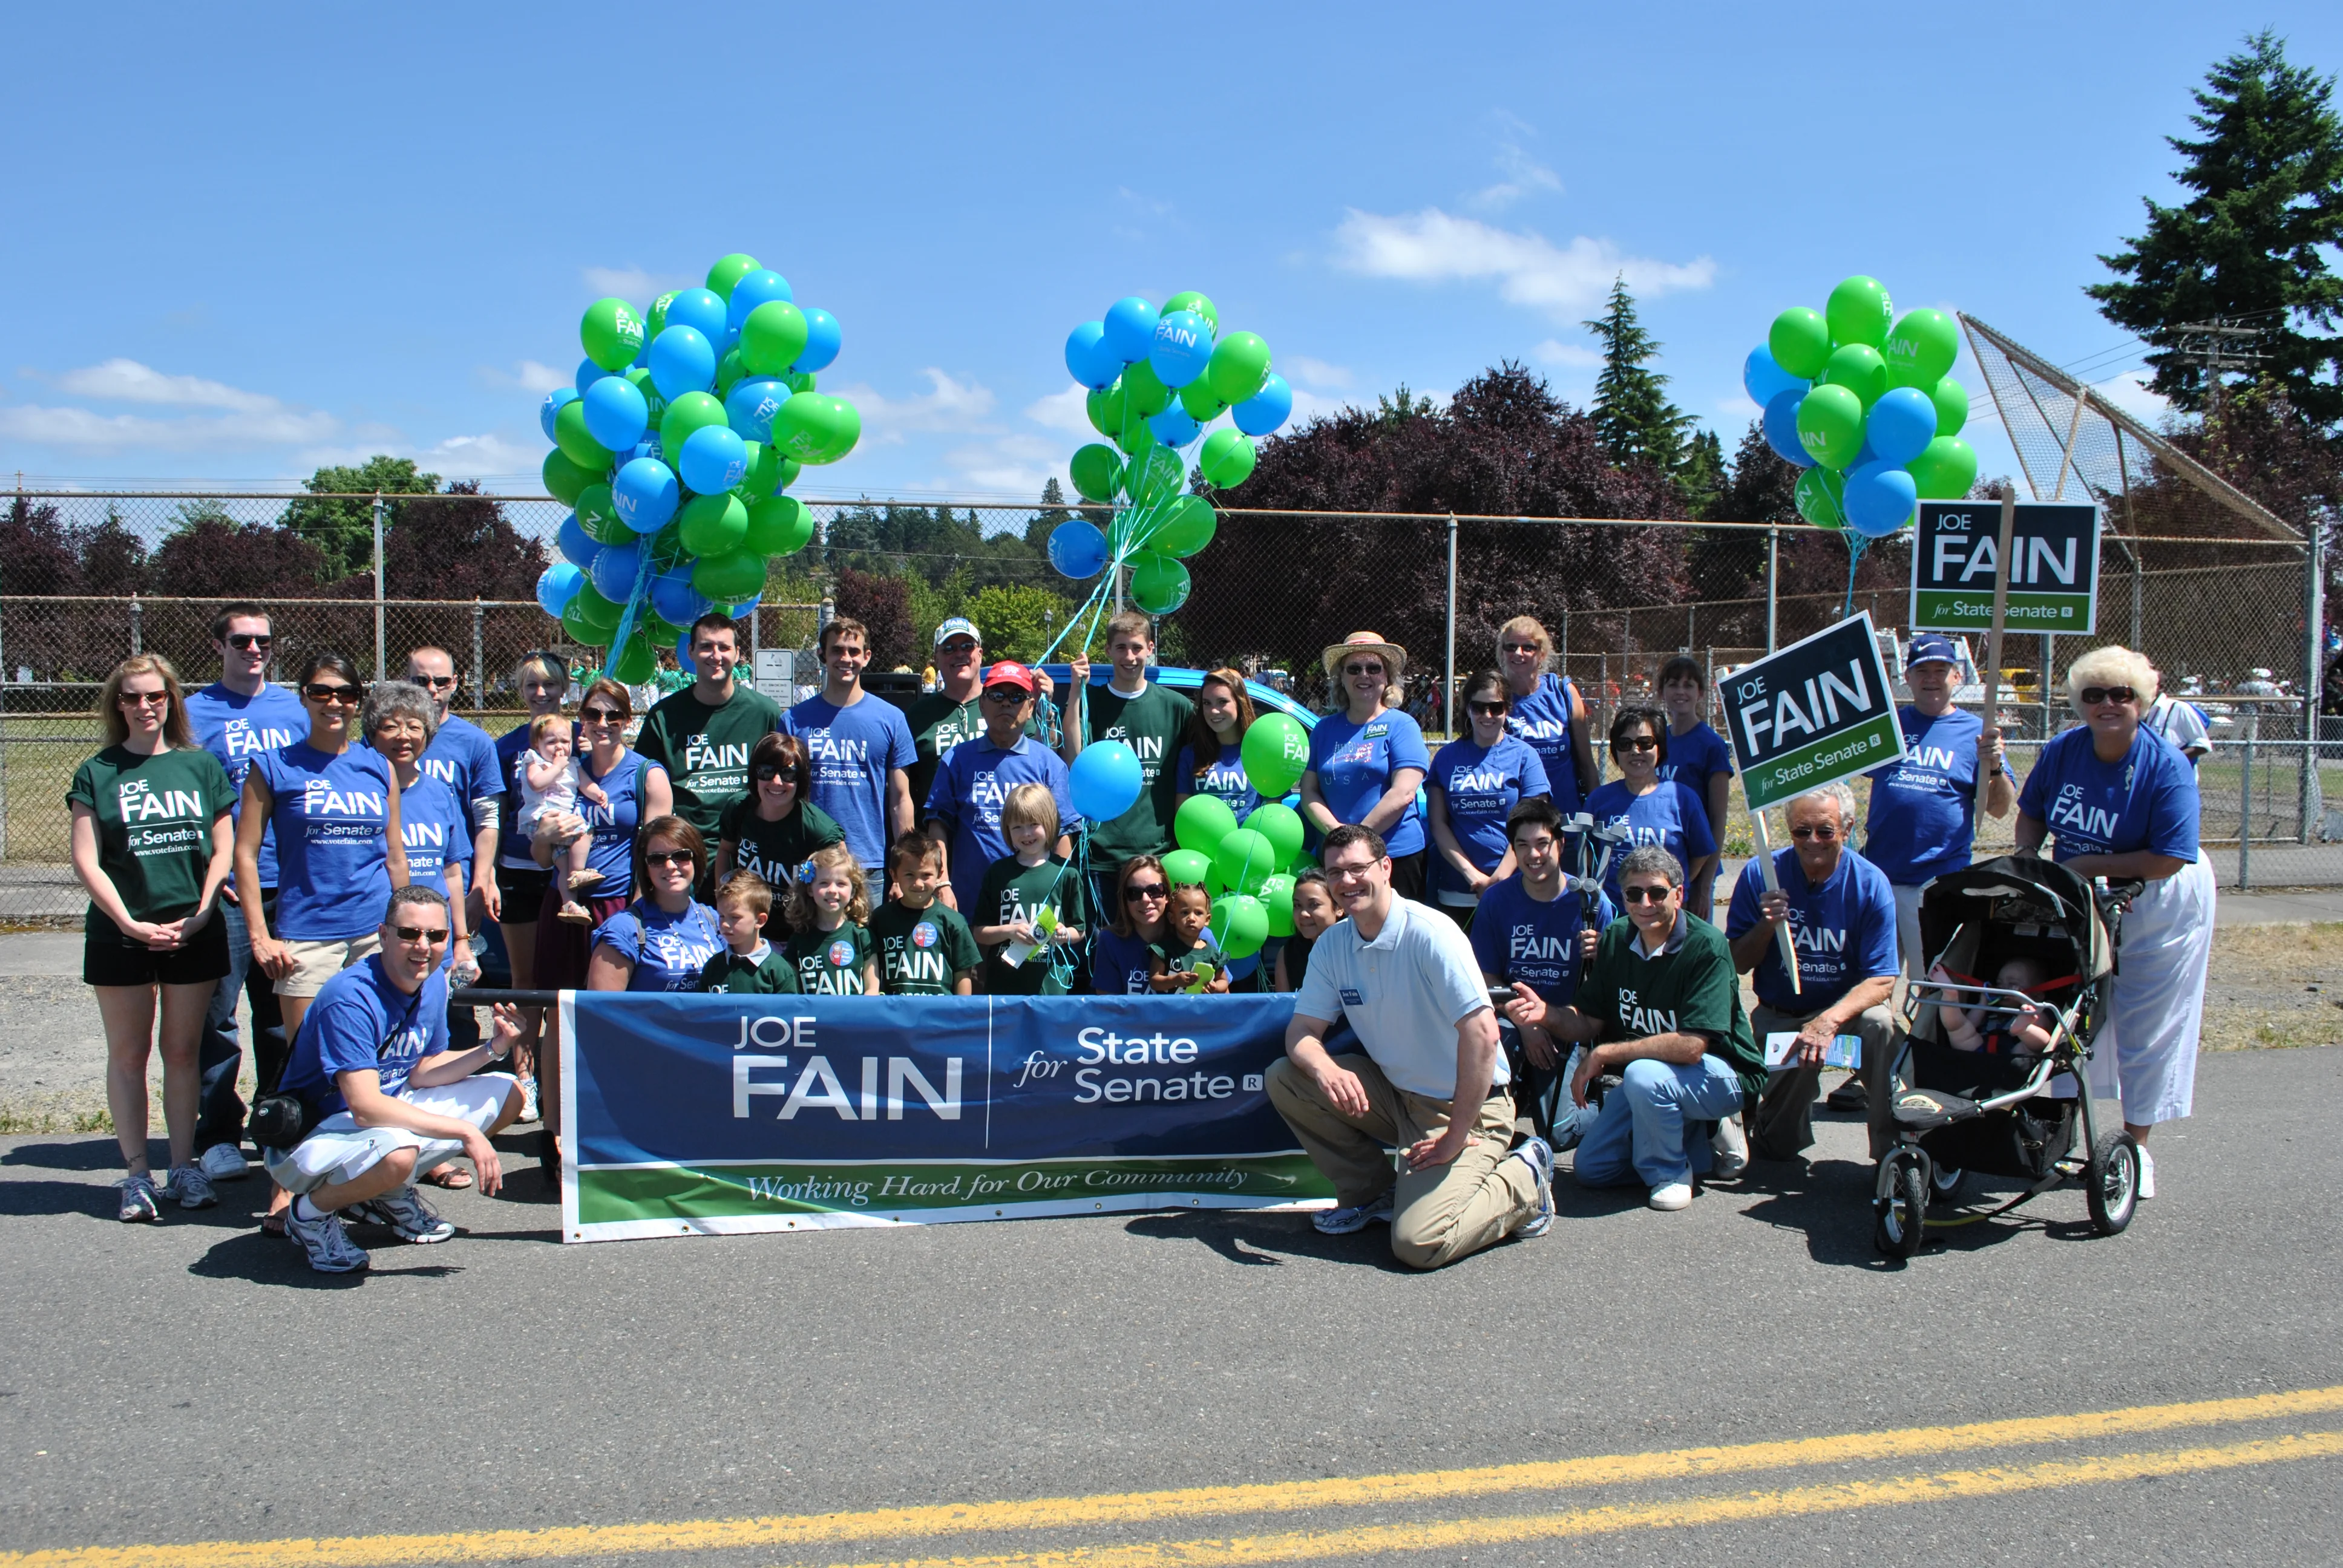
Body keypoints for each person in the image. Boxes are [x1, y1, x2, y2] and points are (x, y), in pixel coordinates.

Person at [1268, 823, 1553, 1267]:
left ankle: (1525, 1177)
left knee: (1419, 1243)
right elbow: (1301, 1033)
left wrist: (1456, 1135)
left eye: (1358, 869)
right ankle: (1373, 1195)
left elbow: (1483, 1035)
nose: (1346, 882)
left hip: (1468, 1107)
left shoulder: (1431, 934)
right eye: (1335, 873)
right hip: (1399, 1097)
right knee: (1286, 1078)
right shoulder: (1332, 947)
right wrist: (1325, 1068)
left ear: (1386, 868)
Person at [2015, 645, 2213, 1200]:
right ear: (2080, 702)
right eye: (2094, 695)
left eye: (2122, 695)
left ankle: (2138, 1147)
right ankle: (2049, 1133)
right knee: (2067, 1011)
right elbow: (2032, 810)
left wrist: (2087, 865)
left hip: (2157, 901)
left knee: (2147, 1025)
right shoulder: (2064, 751)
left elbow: (2171, 857)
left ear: (2142, 702)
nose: (2108, 704)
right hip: (2079, 898)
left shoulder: (2165, 765)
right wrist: (2030, 851)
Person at [267, 886, 526, 1274]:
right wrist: (465, 1133)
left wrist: (494, 1049)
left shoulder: (435, 981)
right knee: (398, 1152)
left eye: (436, 936)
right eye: (409, 933)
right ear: (384, 935)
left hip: (374, 1122)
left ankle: (383, 1192)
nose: (423, 946)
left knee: (508, 1092)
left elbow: (422, 1070)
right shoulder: (350, 997)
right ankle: (308, 1214)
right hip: (310, 1136)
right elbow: (366, 1107)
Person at [70, 654, 237, 1221]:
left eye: (156, 696)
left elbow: (223, 851)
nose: (146, 706)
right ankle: (137, 1174)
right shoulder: (98, 771)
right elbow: (88, 861)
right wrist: (127, 922)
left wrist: (201, 912)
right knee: (129, 1055)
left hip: (194, 929)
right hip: (122, 934)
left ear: (172, 701)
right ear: (118, 704)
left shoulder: (200, 767)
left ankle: (183, 1168)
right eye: (134, 697)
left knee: (184, 1052)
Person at [1519, 846, 1765, 1211]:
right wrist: (1546, 1015)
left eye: (1657, 892)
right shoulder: (1618, 937)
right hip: (1650, 1081)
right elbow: (1588, 1021)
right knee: (1592, 1169)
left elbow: (1692, 1047)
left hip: (1722, 1075)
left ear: (1679, 895)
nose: (1645, 903)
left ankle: (1670, 1172)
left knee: (1643, 1074)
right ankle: (1698, 1147)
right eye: (1634, 894)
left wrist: (1605, 1053)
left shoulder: (1707, 946)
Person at [183, 603, 305, 1187]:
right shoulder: (192, 714)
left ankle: (274, 1121)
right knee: (219, 1019)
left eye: (263, 640)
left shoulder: (296, 709)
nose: (254, 650)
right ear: (219, 647)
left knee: (281, 1017)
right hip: (229, 887)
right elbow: (188, 801)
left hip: (293, 887)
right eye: (241, 641)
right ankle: (217, 1135)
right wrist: (214, 869)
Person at [1724, 781, 1901, 1166]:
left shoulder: (1870, 884)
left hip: (1843, 1019)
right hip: (1781, 1019)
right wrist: (1767, 926)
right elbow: (1736, 963)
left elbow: (1883, 978)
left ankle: (1893, 1153)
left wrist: (1828, 1021)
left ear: (1848, 829)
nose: (1813, 841)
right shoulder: (1762, 875)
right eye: (1802, 831)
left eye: (1826, 830)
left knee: (1882, 1025)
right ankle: (1767, 1118)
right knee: (1778, 1149)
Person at [1863, 634, 2016, 980]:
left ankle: (1925, 1036)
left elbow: (2000, 808)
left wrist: (1992, 767)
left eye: (1940, 670)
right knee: (1871, 980)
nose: (1931, 678)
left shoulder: (1977, 732)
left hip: (1936, 883)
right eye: (1922, 671)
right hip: (1881, 877)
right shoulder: (1889, 726)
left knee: (1933, 983)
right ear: (1909, 678)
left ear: (1957, 677)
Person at [926, 661, 1080, 914]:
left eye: (1017, 696)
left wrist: (1058, 892)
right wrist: (942, 883)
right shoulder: (956, 759)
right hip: (969, 902)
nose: (1006, 703)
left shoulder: (1049, 764)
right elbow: (938, 826)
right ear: (982, 704)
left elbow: (1063, 833)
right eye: (997, 695)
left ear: (1030, 707)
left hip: (1033, 906)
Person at [488, 650, 572, 1111]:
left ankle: (564, 1073)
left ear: (566, 689)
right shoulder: (507, 748)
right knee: (525, 981)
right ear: (520, 692)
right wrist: (490, 875)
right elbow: (494, 816)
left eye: (551, 685)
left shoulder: (579, 739)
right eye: (532, 686)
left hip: (569, 877)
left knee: (564, 979)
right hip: (520, 872)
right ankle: (525, 1079)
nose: (542, 694)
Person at [903, 616, 1063, 852]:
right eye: (949, 648)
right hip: (945, 848)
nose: (959, 654)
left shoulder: (1010, 704)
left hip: (1017, 844)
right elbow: (904, 789)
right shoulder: (917, 715)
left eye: (967, 647)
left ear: (980, 653)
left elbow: (1044, 757)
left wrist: (1046, 709)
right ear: (936, 658)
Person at [1300, 632, 1433, 900]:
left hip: (1394, 856)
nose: (1364, 675)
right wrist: (1336, 834)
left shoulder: (1402, 725)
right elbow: (1309, 792)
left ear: (1387, 678)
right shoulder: (1324, 729)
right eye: (1354, 669)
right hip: (1336, 861)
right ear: (1341, 677)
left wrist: (1356, 839)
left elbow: (1404, 792)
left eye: (1374, 668)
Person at [1479, 798, 1614, 1056]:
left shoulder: (1592, 902)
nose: (1533, 855)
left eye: (1543, 844)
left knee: (1565, 1096)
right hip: (1514, 1020)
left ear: (1561, 845)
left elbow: (1607, 985)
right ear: (1514, 851)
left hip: (1572, 1023)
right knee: (1489, 1047)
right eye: (1523, 845)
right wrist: (1526, 1022)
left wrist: (1602, 954)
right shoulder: (1496, 901)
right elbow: (1487, 978)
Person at [634, 613, 782, 849]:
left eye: (724, 647)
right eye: (706, 647)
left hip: (750, 846)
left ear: (737, 653)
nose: (716, 655)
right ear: (690, 652)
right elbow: (641, 783)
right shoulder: (663, 717)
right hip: (685, 850)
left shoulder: (765, 713)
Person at [782, 616, 915, 878]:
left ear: (866, 657)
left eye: (854, 651)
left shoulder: (891, 719)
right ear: (823, 655)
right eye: (837, 650)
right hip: (811, 860)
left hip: (870, 864)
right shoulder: (793, 721)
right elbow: (785, 795)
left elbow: (901, 799)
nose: (846, 658)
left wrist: (905, 865)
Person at [1065, 612, 1193, 879]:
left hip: (1158, 855)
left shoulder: (1176, 706)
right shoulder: (1092, 702)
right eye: (1121, 648)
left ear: (1150, 649)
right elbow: (1074, 758)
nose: (1130, 657)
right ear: (1108, 650)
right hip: (1102, 856)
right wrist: (1076, 692)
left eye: (1137, 648)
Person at [1427, 670, 1551, 929]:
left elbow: (1535, 824)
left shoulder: (1525, 756)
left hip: (1516, 884)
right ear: (1468, 708)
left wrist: (1499, 879)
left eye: (1495, 708)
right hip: (1458, 889)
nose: (1487, 716)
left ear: (1507, 709)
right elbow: (1439, 825)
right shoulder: (1446, 758)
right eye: (1479, 707)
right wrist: (1471, 874)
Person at [1582, 708, 1717, 916]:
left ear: (1660, 748)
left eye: (1645, 743)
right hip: (1615, 915)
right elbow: (1588, 852)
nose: (1635, 751)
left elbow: (1701, 853)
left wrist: (1671, 886)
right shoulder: (1600, 800)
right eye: (1625, 744)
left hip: (1666, 916)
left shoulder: (1683, 798)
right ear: (1616, 751)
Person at [713, 732, 845, 938]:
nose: (776, 782)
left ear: (800, 779)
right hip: (749, 932)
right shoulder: (738, 809)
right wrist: (724, 902)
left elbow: (842, 879)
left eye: (788, 774)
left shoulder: (819, 830)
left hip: (799, 935)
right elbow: (725, 850)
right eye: (766, 771)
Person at [405, 647, 502, 926]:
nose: (432, 689)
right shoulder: (385, 738)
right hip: (395, 878)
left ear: (456, 682)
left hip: (452, 880)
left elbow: (487, 819)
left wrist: (480, 884)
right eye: (421, 681)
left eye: (442, 681)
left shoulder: (474, 741)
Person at [587, 818, 726, 993]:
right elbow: (601, 1012)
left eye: (681, 856)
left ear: (695, 859)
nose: (670, 866)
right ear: (645, 868)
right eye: (657, 859)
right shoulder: (624, 929)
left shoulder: (713, 920)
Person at [973, 782, 1086, 996]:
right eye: (1017, 827)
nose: (1026, 834)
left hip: (1051, 987)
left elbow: (1079, 930)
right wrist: (1010, 931)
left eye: (1034, 824)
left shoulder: (1067, 872)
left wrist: (1063, 934)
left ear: (1050, 823)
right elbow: (980, 932)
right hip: (1004, 987)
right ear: (1007, 829)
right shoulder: (998, 873)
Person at [1653, 656, 1735, 917]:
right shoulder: (1655, 740)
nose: (1680, 691)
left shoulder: (1711, 745)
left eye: (1689, 685)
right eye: (1673, 684)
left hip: (1695, 869)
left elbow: (1718, 818)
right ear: (1661, 691)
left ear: (1700, 693)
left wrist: (1703, 885)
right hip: (1657, 866)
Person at [1496, 616, 1599, 823]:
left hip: (1566, 821)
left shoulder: (1562, 692)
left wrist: (1596, 815)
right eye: (1511, 647)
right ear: (1502, 652)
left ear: (1542, 653)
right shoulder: (1495, 697)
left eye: (1528, 647)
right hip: (1514, 824)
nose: (1519, 653)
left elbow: (1587, 763)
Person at [511, 714, 608, 924]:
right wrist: (557, 766)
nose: (559, 747)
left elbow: (584, 783)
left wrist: (597, 792)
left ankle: (569, 904)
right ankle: (578, 872)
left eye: (565, 741)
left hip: (561, 819)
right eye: (551, 742)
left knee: (562, 863)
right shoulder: (534, 761)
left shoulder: (573, 763)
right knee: (585, 830)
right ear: (537, 744)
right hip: (541, 816)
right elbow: (537, 783)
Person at [871, 834, 980, 996]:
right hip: (895, 1016)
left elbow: (963, 975)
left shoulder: (954, 921)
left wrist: (961, 1015)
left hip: (940, 1016)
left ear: (940, 873)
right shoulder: (881, 919)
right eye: (909, 875)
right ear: (894, 875)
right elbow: (871, 970)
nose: (918, 883)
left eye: (926, 875)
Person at [781, 843, 880, 995]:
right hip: (815, 1018)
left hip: (855, 1017)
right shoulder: (799, 940)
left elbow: (872, 988)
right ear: (810, 890)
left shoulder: (862, 936)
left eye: (841, 884)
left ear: (853, 891)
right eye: (824, 883)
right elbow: (792, 992)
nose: (832, 890)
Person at [1173, 668, 1262, 822]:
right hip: (1201, 844)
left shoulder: (1262, 752)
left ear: (1239, 703)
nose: (1214, 711)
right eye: (1207, 703)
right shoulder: (1190, 754)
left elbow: (1272, 814)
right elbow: (1183, 817)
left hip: (1249, 844)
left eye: (1222, 702)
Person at [698, 874, 800, 995]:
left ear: (760, 921)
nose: (725, 924)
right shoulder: (713, 966)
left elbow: (788, 1011)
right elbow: (702, 1011)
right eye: (722, 916)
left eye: (735, 917)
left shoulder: (778, 969)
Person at [1935, 956, 2056, 1055]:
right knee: (1958, 1029)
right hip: (1979, 1049)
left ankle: (2024, 1029)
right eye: (1999, 983)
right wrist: (1983, 1004)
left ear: (2038, 995)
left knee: (2040, 1043)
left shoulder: (2043, 1008)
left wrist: (2025, 1002)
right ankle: (1950, 995)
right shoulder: (1993, 1009)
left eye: (2013, 984)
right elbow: (1969, 1023)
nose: (2003, 988)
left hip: (2015, 1053)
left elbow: (2044, 1025)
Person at [1090, 854, 1171, 996]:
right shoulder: (1110, 941)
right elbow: (1107, 1008)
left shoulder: (1198, 937)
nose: (1145, 900)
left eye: (1154, 890)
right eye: (1134, 893)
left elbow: (1221, 999)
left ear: (1167, 895)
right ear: (1124, 900)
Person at [1149, 883, 1230, 993]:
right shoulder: (1165, 948)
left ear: (1207, 919)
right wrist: (1175, 980)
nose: (1192, 918)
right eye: (1185, 912)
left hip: (1201, 1009)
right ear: (1172, 918)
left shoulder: (1211, 953)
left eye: (1198, 913)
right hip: (1171, 1009)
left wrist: (1215, 987)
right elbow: (1154, 981)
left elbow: (1223, 981)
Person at [1271, 869, 1338, 994]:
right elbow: (1285, 1008)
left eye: (1314, 905)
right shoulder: (1288, 952)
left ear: (1338, 907)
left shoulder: (1355, 948)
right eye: (1297, 906)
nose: (1303, 914)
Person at [2143, 688, 2214, 767]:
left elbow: (2202, 744)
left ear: (2160, 686)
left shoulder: (2179, 708)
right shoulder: (2137, 710)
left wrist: (2170, 760)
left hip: (2174, 775)